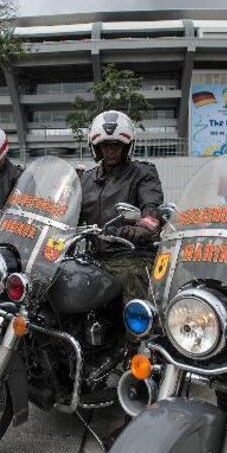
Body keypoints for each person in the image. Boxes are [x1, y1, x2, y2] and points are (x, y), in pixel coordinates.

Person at [79, 110, 164, 306]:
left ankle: (139, 336)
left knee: (133, 280)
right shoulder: (86, 179)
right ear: (97, 147)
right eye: (105, 145)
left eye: (116, 145)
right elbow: (70, 214)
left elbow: (151, 207)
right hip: (94, 256)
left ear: (126, 146)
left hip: (131, 255)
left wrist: (140, 228)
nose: (110, 151)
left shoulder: (143, 174)